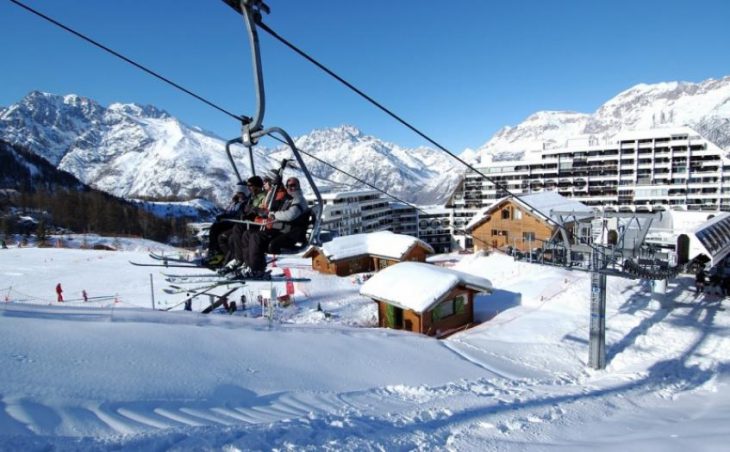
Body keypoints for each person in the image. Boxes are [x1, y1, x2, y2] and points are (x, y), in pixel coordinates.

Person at [225, 177, 307, 279]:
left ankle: (257, 269)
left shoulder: (299, 199)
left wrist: (273, 215)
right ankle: (248, 265)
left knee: (256, 237)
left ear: (298, 186)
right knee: (247, 234)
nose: (291, 188)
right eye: (288, 185)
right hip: (279, 229)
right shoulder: (288, 199)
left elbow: (290, 215)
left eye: (293, 185)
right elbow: (268, 205)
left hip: (289, 233)